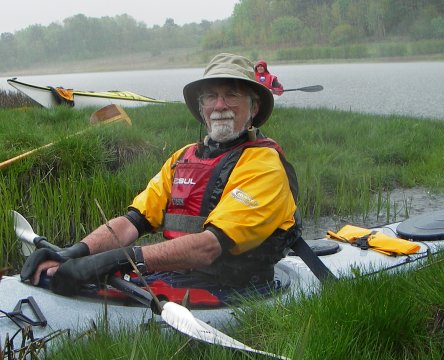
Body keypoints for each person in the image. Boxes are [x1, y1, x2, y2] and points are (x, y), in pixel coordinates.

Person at [21, 53, 301, 297]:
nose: (220, 105)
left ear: (254, 108)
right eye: (210, 97)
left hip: (239, 290)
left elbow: (209, 246)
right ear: (201, 108)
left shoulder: (265, 164)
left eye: (232, 94)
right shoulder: (181, 158)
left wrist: (117, 260)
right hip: (182, 278)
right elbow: (132, 223)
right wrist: (75, 252)